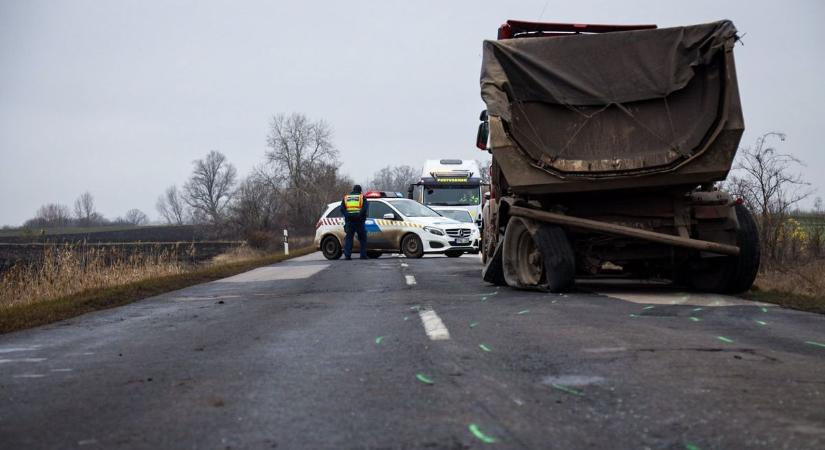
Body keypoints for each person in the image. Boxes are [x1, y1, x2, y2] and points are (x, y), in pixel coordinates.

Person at [341, 184, 369, 260]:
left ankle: (347, 255)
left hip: (350, 221)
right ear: (360, 191)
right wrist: (359, 215)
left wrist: (348, 215)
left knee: (349, 238)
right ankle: (363, 255)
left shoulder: (346, 197)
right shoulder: (362, 197)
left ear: (353, 190)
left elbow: (342, 209)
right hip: (359, 221)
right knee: (362, 238)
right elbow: (365, 208)